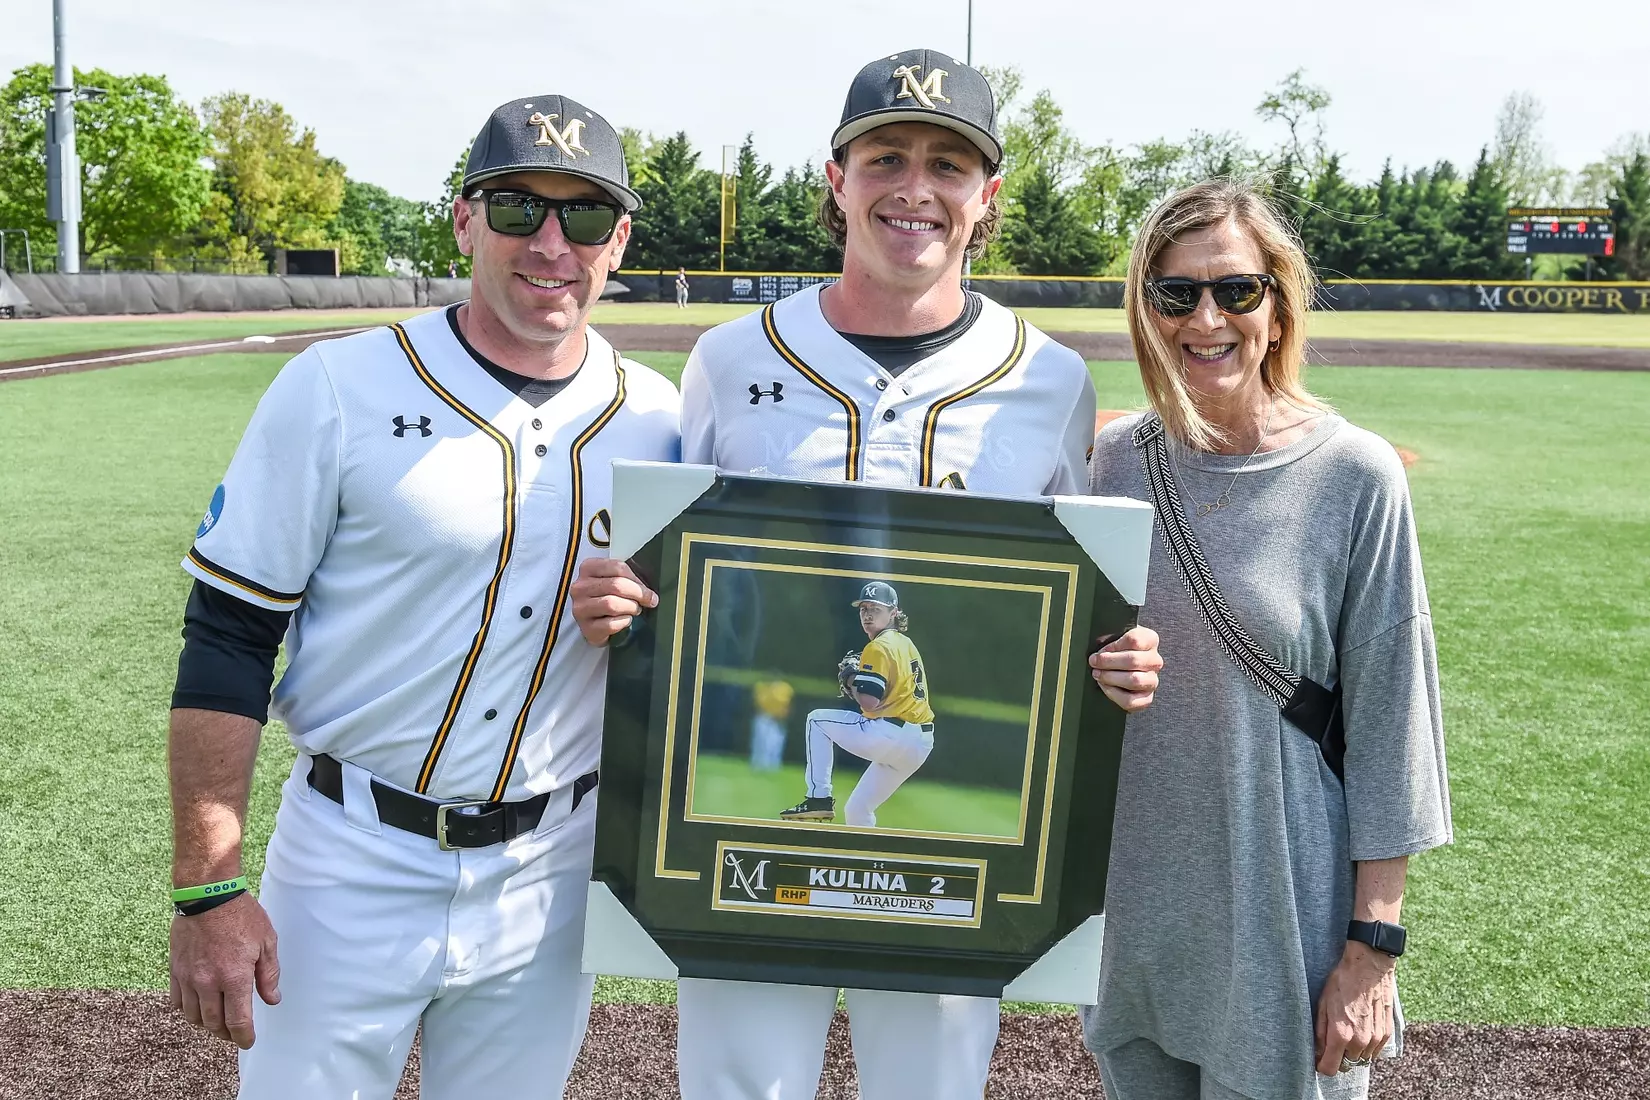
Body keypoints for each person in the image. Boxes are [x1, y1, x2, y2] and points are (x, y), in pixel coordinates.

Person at [570, 49, 1162, 1100]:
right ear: (836, 179)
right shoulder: (730, 357)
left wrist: (1114, 655)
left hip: (955, 864)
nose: (914, 186)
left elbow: (1070, 600)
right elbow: (669, 572)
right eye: (885, 154)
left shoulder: (1049, 380)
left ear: (987, 197)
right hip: (728, 844)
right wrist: (619, 596)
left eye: (949, 162)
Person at [165, 93, 679, 1099]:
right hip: (349, 858)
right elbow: (226, 636)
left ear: (617, 239)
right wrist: (208, 885)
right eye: (517, 206)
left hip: (549, 874)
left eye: (582, 215)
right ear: (462, 218)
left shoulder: (659, 419)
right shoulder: (338, 387)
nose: (550, 242)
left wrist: (645, 618)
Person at [1081, 178, 1453, 1100]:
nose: (1206, 317)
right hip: (1136, 920)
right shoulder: (1115, 461)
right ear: (1147, 309)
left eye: (1236, 290)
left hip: (1285, 912)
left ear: (1279, 306)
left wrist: (1375, 950)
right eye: (1176, 294)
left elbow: (1394, 725)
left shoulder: (1355, 475)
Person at [781, 581, 934, 826]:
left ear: (893, 613)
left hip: (889, 734)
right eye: (864, 609)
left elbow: (870, 702)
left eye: (876, 608)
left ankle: (818, 797)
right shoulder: (907, 644)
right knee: (858, 809)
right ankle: (867, 860)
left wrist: (852, 678)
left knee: (817, 720)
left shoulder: (878, 646)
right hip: (920, 744)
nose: (868, 614)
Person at [749, 678, 794, 771]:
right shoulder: (762, 687)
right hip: (764, 717)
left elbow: (787, 707)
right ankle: (758, 763)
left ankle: (772, 765)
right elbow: (757, 703)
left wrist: (782, 717)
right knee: (760, 742)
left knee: (774, 744)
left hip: (777, 719)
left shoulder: (785, 689)